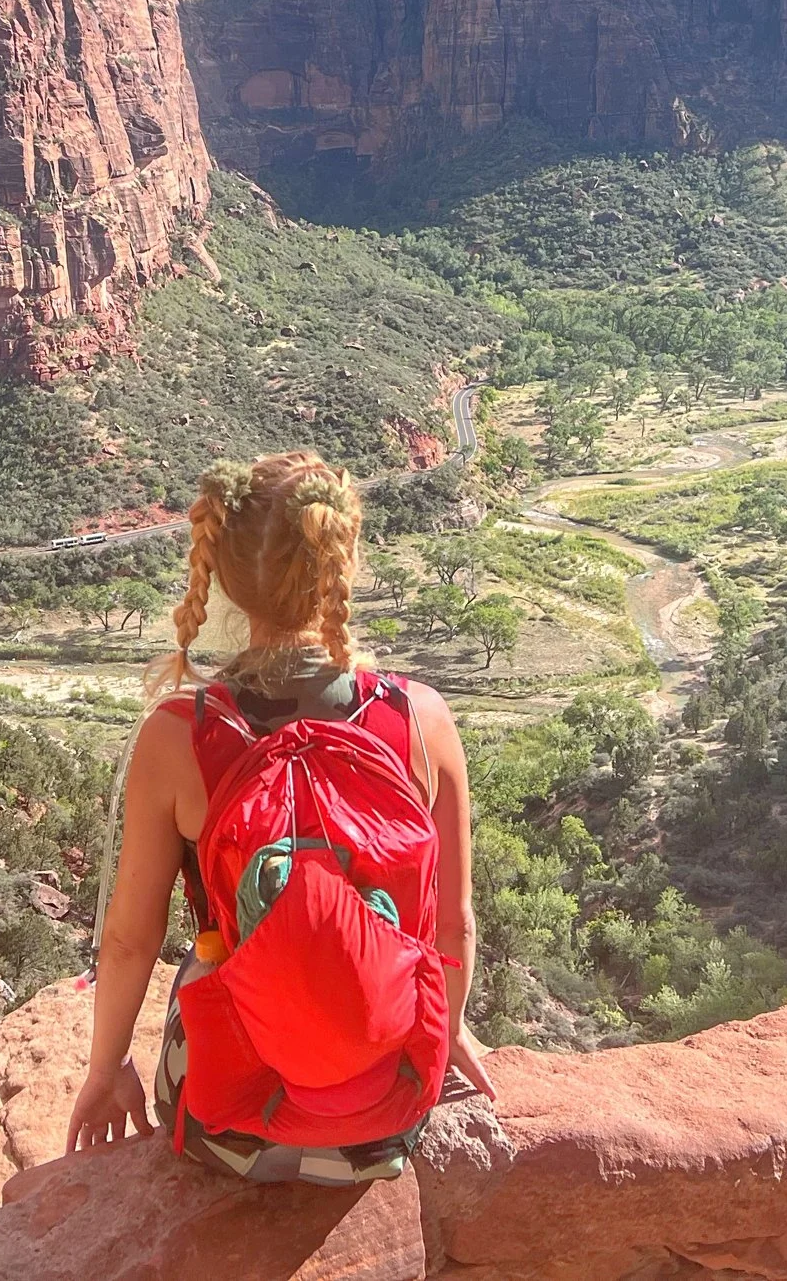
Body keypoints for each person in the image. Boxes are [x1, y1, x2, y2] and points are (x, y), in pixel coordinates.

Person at [66, 450, 495, 1175]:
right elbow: (453, 925)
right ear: (341, 559)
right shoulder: (421, 720)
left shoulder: (180, 735)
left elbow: (129, 942)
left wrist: (105, 1072)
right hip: (390, 1115)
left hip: (223, 1125)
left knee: (209, 955)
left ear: (225, 576)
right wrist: (444, 1034)